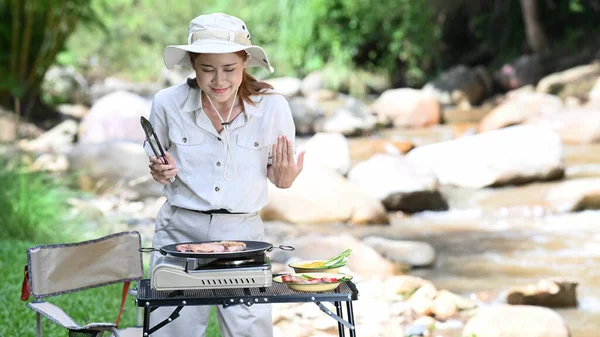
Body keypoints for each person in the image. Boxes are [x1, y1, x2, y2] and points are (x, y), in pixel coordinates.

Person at [144, 12, 305, 337]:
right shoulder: (167, 103)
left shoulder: (272, 108)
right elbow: (158, 167)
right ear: (192, 64)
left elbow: (280, 178)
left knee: (250, 333)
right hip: (180, 234)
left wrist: (285, 178)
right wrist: (161, 171)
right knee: (171, 330)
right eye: (207, 69)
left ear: (245, 62)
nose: (219, 80)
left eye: (229, 69)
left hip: (244, 237)